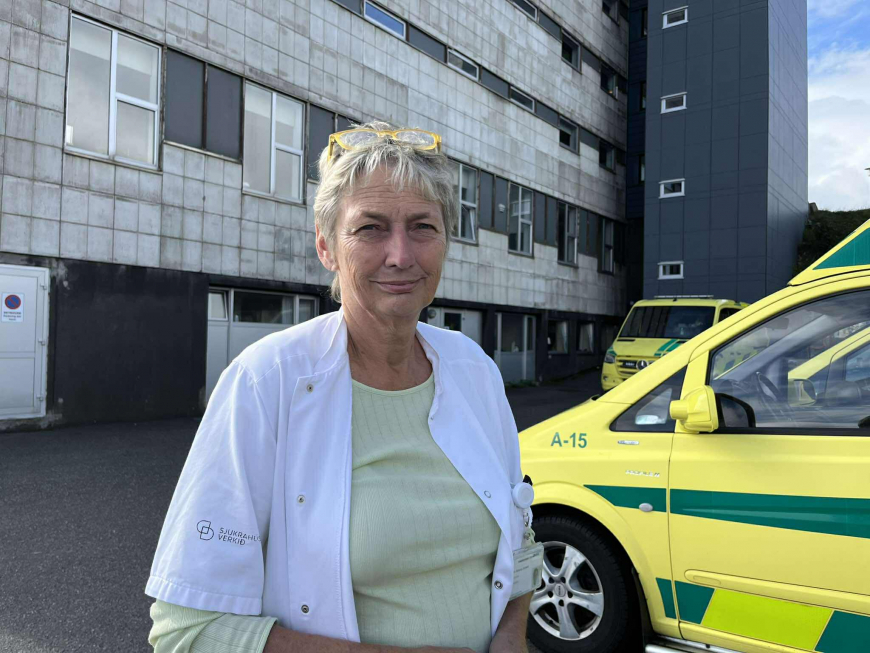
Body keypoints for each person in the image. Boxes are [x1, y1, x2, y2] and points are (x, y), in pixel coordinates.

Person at [146, 122, 536, 653]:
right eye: (371, 228)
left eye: (422, 226)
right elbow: (188, 629)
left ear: (445, 242)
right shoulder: (265, 382)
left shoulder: (475, 371)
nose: (400, 254)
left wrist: (511, 636)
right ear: (326, 246)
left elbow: (519, 540)